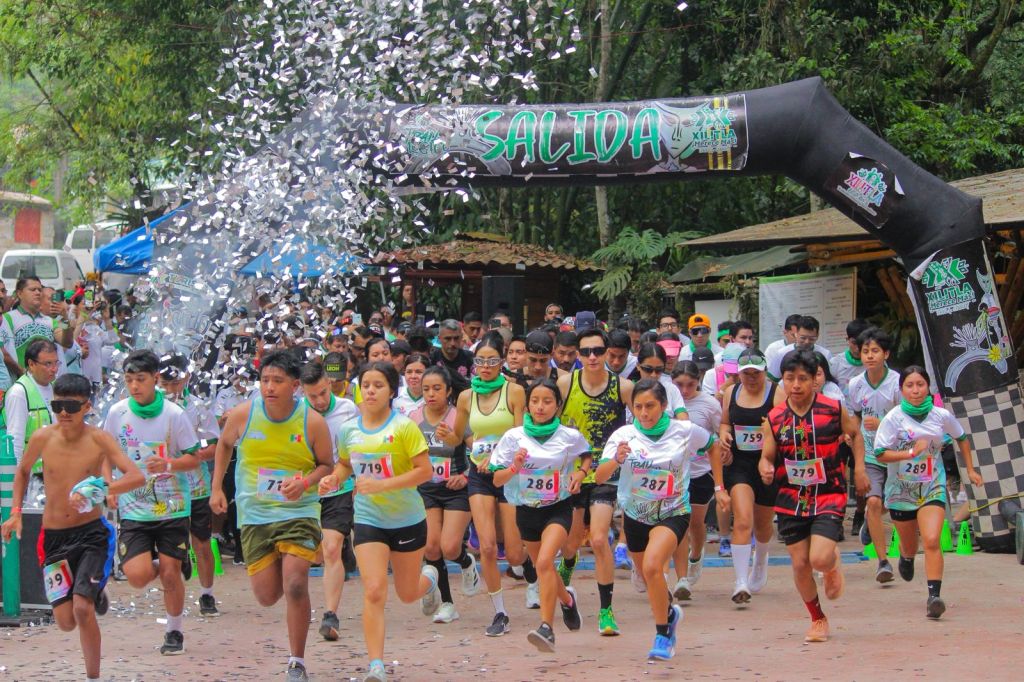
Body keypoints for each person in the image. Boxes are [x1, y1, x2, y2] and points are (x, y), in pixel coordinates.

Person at [1, 374, 145, 682]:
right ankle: (92, 589)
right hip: (53, 538)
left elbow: (136, 476)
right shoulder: (42, 437)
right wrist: (15, 513)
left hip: (91, 535)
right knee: (65, 621)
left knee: (82, 609)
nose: (64, 412)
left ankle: (93, 676)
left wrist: (103, 490)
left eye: (71, 406)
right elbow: (23, 470)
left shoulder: (99, 439)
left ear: (87, 407)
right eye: (57, 405)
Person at [210, 350, 334, 681]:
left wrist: (306, 482)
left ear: (295, 385)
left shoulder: (312, 421)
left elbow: (327, 465)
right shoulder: (243, 414)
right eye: (265, 380)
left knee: (295, 584)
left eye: (277, 381)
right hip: (255, 513)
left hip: (299, 510)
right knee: (267, 596)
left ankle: (297, 662)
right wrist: (217, 489)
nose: (269, 387)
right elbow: (223, 445)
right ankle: (283, 555)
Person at [596, 379, 728, 661]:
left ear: (664, 406)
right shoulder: (624, 435)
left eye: (651, 406)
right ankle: (668, 613)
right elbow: (599, 476)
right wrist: (616, 460)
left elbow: (713, 446)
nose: (645, 413)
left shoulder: (684, 430)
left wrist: (719, 487)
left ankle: (662, 634)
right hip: (635, 515)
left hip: (673, 512)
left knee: (655, 566)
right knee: (647, 576)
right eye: (639, 407)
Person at [322, 361, 437, 682]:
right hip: (369, 519)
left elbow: (424, 471)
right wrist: (333, 479)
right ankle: (376, 665)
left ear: (390, 391)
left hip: (408, 519)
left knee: (407, 593)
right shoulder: (349, 429)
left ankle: (430, 578)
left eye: (378, 385)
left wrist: (383, 485)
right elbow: (345, 465)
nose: (370, 391)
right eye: (365, 385)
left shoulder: (404, 427)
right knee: (373, 590)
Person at [759, 350, 868, 643]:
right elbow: (767, 454)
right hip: (790, 497)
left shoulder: (833, 409)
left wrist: (859, 470)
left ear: (815, 380)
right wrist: (765, 467)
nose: (796, 385)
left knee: (818, 559)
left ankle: (830, 564)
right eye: (789, 378)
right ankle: (817, 618)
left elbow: (855, 435)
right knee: (799, 564)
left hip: (828, 493)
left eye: (803, 379)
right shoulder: (774, 417)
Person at [102, 350, 201, 655]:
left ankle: (174, 632)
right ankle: (167, 561)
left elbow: (193, 457)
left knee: (170, 573)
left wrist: (169, 464)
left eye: (141, 380)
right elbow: (104, 454)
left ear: (155, 379)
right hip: (134, 509)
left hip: (172, 506)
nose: (134, 386)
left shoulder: (174, 414)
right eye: (129, 380)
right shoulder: (117, 413)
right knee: (137, 576)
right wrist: (111, 487)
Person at [873, 366, 983, 619]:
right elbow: (881, 454)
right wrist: (910, 453)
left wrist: (971, 470)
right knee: (911, 545)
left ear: (928, 387)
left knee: (932, 539)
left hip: (932, 485)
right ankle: (906, 556)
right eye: (909, 385)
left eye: (920, 384)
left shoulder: (940, 415)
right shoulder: (893, 418)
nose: (915, 390)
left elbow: (962, 438)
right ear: (901, 390)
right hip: (901, 490)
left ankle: (934, 596)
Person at [490, 378, 588, 651]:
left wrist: (580, 473)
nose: (540, 407)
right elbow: (497, 480)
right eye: (535, 401)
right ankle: (567, 601)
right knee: (543, 568)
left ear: (557, 405)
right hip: (526, 511)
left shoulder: (568, 435)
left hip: (558, 508)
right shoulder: (514, 437)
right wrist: (514, 467)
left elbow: (587, 455)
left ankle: (546, 628)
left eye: (547, 401)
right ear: (527, 405)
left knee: (545, 561)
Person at [453, 334, 534, 636]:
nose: (485, 366)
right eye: (480, 361)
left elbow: (519, 435)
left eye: (491, 360)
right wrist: (456, 438)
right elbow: (460, 434)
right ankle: (500, 612)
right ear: (473, 364)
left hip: (509, 474)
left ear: (502, 362)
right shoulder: (465, 397)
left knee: (513, 553)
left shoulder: (514, 391)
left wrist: (498, 456)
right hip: (479, 475)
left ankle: (530, 569)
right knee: (486, 546)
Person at [557, 328, 634, 636]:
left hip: (606, 472)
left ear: (607, 352)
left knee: (600, 539)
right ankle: (567, 566)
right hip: (573, 473)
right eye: (586, 351)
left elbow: (643, 420)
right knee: (571, 543)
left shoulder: (623, 386)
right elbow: (547, 421)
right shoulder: (565, 384)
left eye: (598, 351)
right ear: (577, 354)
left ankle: (606, 611)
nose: (592, 356)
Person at [410, 366, 480, 624]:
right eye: (426, 389)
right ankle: (447, 603)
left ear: (449, 391)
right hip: (426, 489)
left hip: (457, 488)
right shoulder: (413, 418)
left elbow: (480, 452)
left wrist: (464, 477)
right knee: (431, 546)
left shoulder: (458, 417)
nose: (431, 394)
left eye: (437, 388)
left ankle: (466, 563)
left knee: (450, 547)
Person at [297, 361, 360, 642]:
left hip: (339, 489)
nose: (320, 400)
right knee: (317, 554)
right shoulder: (295, 413)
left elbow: (357, 449)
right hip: (307, 491)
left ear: (329, 382)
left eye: (323, 392)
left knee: (331, 549)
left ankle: (330, 614)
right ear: (302, 392)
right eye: (313, 396)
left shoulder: (348, 409)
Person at [158, 354, 223, 617]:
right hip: (164, 489)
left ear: (186, 377)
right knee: (168, 546)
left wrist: (190, 455)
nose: (170, 388)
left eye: (175, 381)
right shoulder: (152, 407)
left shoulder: (197, 407)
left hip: (196, 487)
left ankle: (207, 594)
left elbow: (215, 445)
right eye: (165, 382)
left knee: (202, 542)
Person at [719, 348, 785, 602]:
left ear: (765, 371)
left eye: (755, 373)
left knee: (763, 524)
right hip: (739, 464)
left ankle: (761, 559)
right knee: (743, 520)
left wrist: (770, 454)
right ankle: (740, 581)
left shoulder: (777, 393)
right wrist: (724, 434)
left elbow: (784, 431)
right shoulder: (730, 393)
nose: (751, 378)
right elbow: (725, 422)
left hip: (767, 463)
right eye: (745, 374)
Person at [846, 327, 901, 583]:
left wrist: (883, 425)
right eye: (866, 351)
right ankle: (883, 562)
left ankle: (871, 522)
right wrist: (851, 433)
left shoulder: (899, 383)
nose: (869, 356)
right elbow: (855, 415)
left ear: (886, 354)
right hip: (870, 453)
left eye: (875, 351)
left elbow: (907, 419)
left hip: (898, 453)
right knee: (874, 502)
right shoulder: (855, 384)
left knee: (891, 505)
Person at [670, 360, 723, 600]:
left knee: (695, 523)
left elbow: (719, 431)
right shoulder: (666, 400)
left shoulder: (709, 404)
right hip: (673, 473)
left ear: (699, 380)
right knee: (679, 523)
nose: (684, 391)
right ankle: (681, 577)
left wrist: (723, 445)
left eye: (690, 385)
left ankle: (696, 555)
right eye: (679, 384)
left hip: (701, 472)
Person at [2, 339, 59, 469]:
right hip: (32, 476)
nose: (54, 369)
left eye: (56, 363)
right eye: (48, 364)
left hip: (52, 471)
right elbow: (15, 441)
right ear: (31, 364)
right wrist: (16, 482)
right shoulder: (19, 392)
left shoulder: (55, 388)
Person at [2, 276, 74, 374]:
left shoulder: (51, 320)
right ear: (19, 293)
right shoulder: (7, 318)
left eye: (39, 290)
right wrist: (23, 373)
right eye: (32, 290)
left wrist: (64, 317)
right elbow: (3, 353)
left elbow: (67, 343)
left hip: (48, 383)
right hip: (23, 383)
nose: (37, 292)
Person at [766, 315, 833, 381]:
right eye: (803, 338)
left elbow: (829, 380)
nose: (807, 341)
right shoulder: (782, 353)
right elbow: (771, 380)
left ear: (818, 335)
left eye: (811, 339)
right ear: (796, 334)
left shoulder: (825, 354)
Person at [829, 318, 870, 400]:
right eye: (854, 343)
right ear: (847, 339)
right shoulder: (835, 363)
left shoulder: (876, 362)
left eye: (861, 343)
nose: (858, 349)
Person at [432, 319, 474, 396]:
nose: (452, 343)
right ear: (439, 338)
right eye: (447, 339)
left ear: (461, 337)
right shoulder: (432, 359)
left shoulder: (470, 358)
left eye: (456, 338)